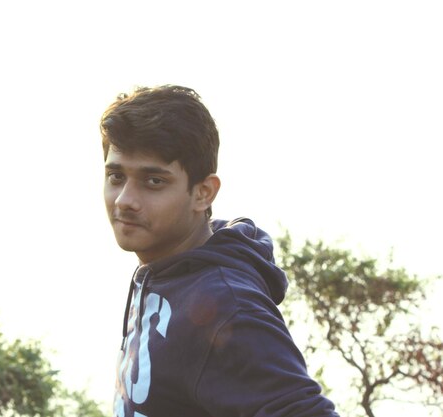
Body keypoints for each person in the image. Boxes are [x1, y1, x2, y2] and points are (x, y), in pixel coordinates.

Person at [100, 85, 340, 417]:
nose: (125, 199)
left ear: (203, 193)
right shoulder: (162, 270)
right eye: (115, 176)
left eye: (154, 181)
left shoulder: (229, 305)